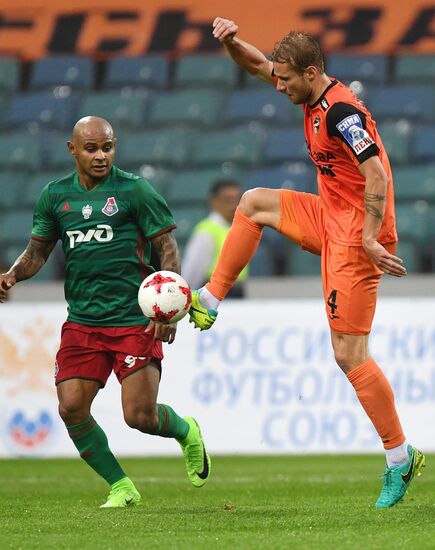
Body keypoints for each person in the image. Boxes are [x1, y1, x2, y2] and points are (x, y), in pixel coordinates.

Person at [188, 18, 425, 508]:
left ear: (312, 72)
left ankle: (400, 459)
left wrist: (368, 238)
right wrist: (232, 42)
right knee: (253, 202)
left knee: (348, 355)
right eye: (277, 76)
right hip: (330, 216)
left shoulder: (341, 114)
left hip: (358, 236)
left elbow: (377, 174)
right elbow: (256, 64)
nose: (277, 84)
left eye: (286, 79)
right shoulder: (308, 93)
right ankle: (209, 298)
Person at [0, 116, 210, 508]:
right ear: (72, 149)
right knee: (71, 406)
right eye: (92, 149)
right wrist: (12, 276)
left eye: (108, 147)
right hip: (83, 321)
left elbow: (167, 248)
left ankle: (186, 432)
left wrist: (168, 311)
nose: (101, 156)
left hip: (133, 319)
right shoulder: (55, 196)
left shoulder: (134, 190)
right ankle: (121, 486)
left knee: (140, 416)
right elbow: (38, 252)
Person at [182, 179, 248, 297]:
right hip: (214, 296)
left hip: (236, 292)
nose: (234, 206)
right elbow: (193, 269)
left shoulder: (238, 228)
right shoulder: (206, 231)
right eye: (227, 200)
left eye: (237, 200)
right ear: (214, 202)